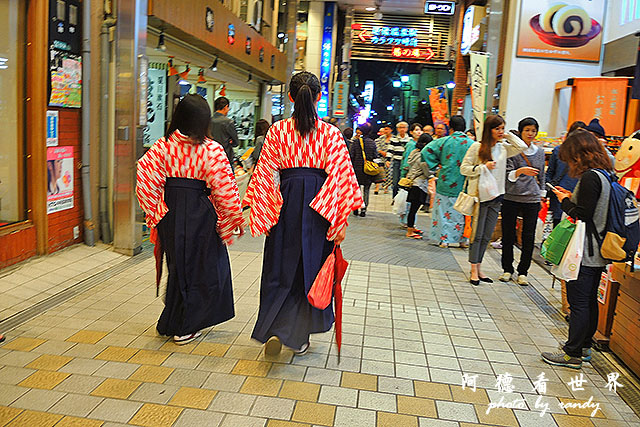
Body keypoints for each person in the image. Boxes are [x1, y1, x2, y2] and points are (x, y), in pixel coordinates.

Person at [243, 71, 363, 356]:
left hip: (284, 202)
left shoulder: (277, 131)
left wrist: (265, 212)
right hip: (318, 208)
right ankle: (296, 337)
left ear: (290, 97)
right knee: (309, 267)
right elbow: (341, 177)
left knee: (279, 266)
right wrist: (339, 219)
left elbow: (266, 175)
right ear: (320, 97)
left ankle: (275, 328)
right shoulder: (331, 134)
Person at [136, 94, 244, 345]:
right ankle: (187, 325)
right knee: (204, 267)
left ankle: (173, 320)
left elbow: (144, 175)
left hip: (171, 211)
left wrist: (156, 211)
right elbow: (224, 188)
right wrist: (234, 216)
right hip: (200, 211)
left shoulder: (162, 146)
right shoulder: (211, 149)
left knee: (178, 266)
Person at [542, 129, 613, 369]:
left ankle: (571, 353)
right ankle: (583, 348)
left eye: (571, 156)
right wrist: (573, 196)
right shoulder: (605, 175)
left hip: (585, 251)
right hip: (597, 251)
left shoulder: (591, 177)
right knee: (589, 300)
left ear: (580, 154)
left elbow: (582, 215)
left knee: (579, 301)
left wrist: (564, 201)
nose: (569, 161)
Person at [460, 115, 527, 286]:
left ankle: (479, 267)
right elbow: (464, 169)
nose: (500, 132)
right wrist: (483, 167)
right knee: (477, 234)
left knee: (487, 236)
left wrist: (509, 136)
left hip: (497, 196)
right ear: (489, 130)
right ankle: (473, 269)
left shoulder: (503, 148)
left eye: (502, 128)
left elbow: (522, 146)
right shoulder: (477, 147)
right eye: (497, 129)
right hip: (480, 197)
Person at [499, 117, 546, 286]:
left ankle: (523, 272)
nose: (530, 134)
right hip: (511, 197)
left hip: (532, 198)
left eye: (533, 131)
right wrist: (520, 171)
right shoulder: (512, 150)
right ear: (520, 131)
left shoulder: (540, 152)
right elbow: (508, 175)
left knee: (528, 236)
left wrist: (542, 195)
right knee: (508, 234)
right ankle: (507, 269)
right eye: (527, 130)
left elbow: (541, 175)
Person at [423, 115, 474, 248]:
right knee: (463, 212)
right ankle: (463, 240)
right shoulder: (472, 144)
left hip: (445, 181)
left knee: (443, 212)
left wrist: (436, 165)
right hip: (465, 184)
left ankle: (444, 239)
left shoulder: (444, 141)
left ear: (450, 128)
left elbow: (426, 151)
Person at [546, 121, 583, 227]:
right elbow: (550, 172)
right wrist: (549, 188)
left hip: (575, 196)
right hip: (559, 194)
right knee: (557, 226)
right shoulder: (558, 150)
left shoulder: (585, 155)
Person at [405, 133, 432, 239]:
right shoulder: (423, 155)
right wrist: (433, 173)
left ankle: (412, 227)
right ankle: (410, 231)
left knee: (413, 209)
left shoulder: (414, 152)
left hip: (413, 182)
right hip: (419, 184)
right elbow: (426, 171)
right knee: (413, 209)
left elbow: (410, 164)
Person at [349, 123, 378, 217]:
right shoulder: (372, 142)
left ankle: (355, 208)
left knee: (356, 189)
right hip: (368, 170)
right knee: (366, 189)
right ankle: (363, 209)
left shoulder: (356, 142)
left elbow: (351, 155)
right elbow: (375, 155)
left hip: (357, 169)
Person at [210, 96, 240, 165]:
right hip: (225, 158)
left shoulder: (208, 120)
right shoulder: (228, 122)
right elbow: (236, 143)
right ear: (226, 107)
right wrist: (230, 141)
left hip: (211, 157)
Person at [388, 121, 412, 197]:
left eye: (404, 127)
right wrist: (388, 160)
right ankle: (394, 198)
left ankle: (403, 199)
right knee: (395, 181)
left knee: (405, 181)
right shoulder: (394, 139)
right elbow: (390, 150)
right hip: (396, 162)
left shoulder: (410, 140)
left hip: (407, 163)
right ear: (397, 129)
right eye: (400, 127)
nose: (402, 129)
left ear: (407, 129)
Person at [374, 124, 393, 194]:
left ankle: (386, 187)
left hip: (390, 158)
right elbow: (376, 146)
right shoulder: (380, 138)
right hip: (381, 157)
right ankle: (377, 187)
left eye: (387, 129)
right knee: (379, 172)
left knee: (389, 173)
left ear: (391, 130)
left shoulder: (394, 138)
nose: (386, 131)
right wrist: (381, 152)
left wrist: (388, 154)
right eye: (385, 129)